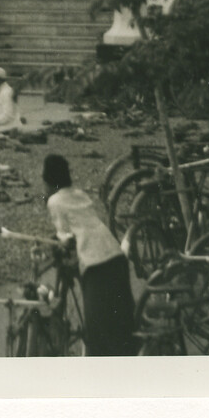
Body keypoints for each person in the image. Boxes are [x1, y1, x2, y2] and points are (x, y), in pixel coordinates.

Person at [43, 151, 134, 355]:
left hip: (97, 265)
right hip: (114, 252)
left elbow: (65, 237)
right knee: (122, 326)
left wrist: (58, 243)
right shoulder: (79, 193)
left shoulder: (54, 201)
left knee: (99, 334)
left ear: (48, 180)